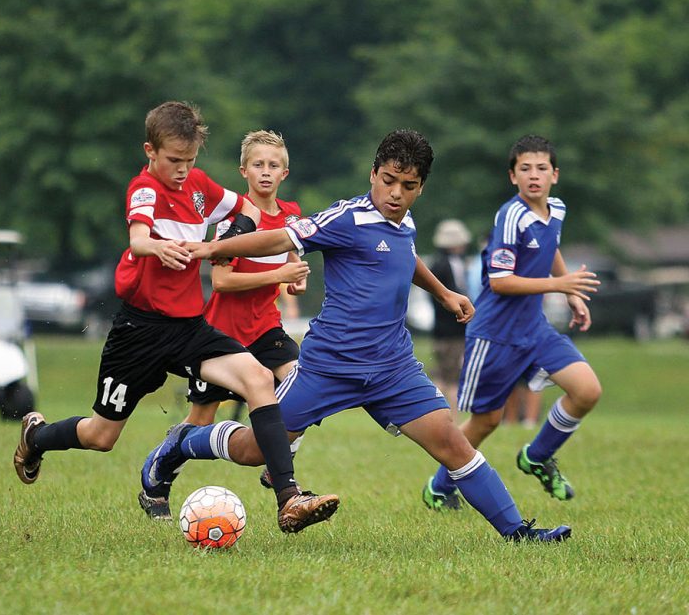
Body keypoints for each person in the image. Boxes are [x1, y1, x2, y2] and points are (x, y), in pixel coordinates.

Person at [182, 129, 572, 542]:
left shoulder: (406, 223)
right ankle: (184, 442)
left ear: (421, 187)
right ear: (373, 175)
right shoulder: (346, 218)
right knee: (254, 451)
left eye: (408, 186)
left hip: (392, 369)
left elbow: (405, 255)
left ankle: (518, 532)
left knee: (451, 442)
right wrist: (212, 250)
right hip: (328, 366)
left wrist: (443, 292)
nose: (396, 193)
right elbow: (283, 237)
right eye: (388, 180)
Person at [12, 101, 338, 534]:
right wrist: (157, 247)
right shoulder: (144, 189)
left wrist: (235, 244)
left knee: (260, 379)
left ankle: (288, 498)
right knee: (101, 437)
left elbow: (252, 212)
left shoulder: (200, 185)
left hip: (190, 329)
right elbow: (139, 237)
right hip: (139, 332)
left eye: (189, 161)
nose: (182, 171)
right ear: (151, 151)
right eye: (173, 161)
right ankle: (37, 438)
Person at [423, 134, 602, 510]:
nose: (533, 175)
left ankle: (536, 456)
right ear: (512, 176)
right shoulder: (510, 216)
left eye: (541, 168)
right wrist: (560, 284)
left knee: (587, 391)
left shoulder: (557, 209)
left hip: (534, 330)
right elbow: (501, 282)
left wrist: (569, 293)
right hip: (496, 335)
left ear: (555, 174)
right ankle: (440, 486)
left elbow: (550, 248)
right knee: (486, 420)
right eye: (525, 169)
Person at [173, 130, 306, 489]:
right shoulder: (233, 223)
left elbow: (291, 253)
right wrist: (279, 274)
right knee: (199, 421)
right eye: (258, 164)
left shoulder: (292, 215)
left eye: (273, 165)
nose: (266, 171)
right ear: (243, 171)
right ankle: (162, 469)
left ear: (284, 174)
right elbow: (221, 282)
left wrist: (295, 279)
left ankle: (277, 458)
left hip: (265, 329)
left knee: (304, 385)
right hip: (221, 336)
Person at [428, 219, 472, 408]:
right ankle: (450, 413)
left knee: (443, 372)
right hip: (451, 329)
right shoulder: (448, 265)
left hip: (440, 328)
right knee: (451, 376)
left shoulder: (438, 264)